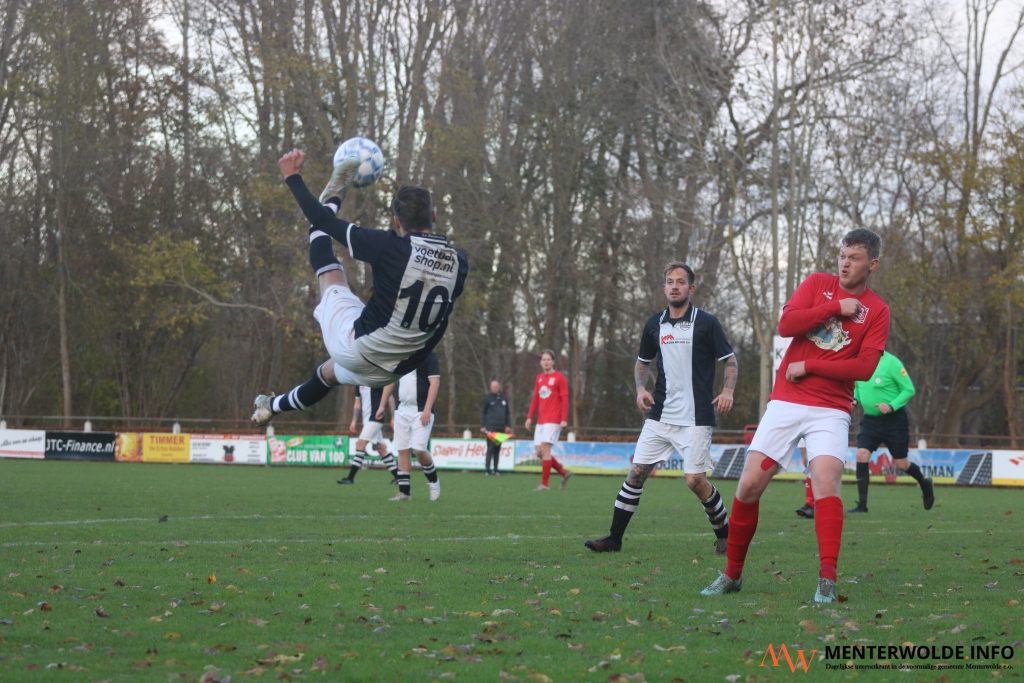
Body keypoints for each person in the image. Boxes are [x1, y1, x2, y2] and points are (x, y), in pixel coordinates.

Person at [701, 228, 890, 604]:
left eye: (854, 258)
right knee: (748, 486)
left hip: (831, 410)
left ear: (872, 264)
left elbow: (865, 368)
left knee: (826, 484)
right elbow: (786, 325)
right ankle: (732, 574)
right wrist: (834, 308)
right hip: (786, 402)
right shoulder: (818, 284)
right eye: (842, 255)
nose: (844, 264)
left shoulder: (879, 310)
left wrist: (811, 365)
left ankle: (827, 580)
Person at [250, 149, 468, 426]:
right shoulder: (459, 260)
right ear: (433, 216)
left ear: (397, 222)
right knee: (328, 373)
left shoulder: (388, 246)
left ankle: (333, 197)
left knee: (327, 260)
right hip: (395, 369)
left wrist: (292, 177)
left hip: (361, 349)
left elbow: (323, 221)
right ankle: (271, 406)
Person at [584, 263, 738, 555]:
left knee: (696, 482)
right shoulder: (654, 323)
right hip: (661, 415)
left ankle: (726, 537)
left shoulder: (707, 322)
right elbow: (642, 361)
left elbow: (730, 359)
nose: (675, 286)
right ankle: (614, 540)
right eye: (670, 281)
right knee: (636, 474)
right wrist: (641, 388)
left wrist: (728, 390)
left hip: (696, 417)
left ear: (691, 288)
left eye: (681, 281)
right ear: (664, 288)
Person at [848, 351, 931, 512]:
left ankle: (924, 483)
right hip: (871, 420)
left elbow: (909, 389)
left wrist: (891, 405)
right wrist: (855, 399)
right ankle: (862, 505)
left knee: (902, 464)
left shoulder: (892, 362)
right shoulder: (859, 361)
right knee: (861, 454)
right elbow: (858, 386)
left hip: (894, 421)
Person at [378, 351, 442, 501]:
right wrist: (381, 406)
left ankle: (434, 481)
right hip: (402, 411)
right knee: (403, 450)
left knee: (419, 450)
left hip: (421, 411)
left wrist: (427, 409)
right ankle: (404, 493)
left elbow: (435, 383)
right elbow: (391, 381)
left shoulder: (429, 355)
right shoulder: (400, 354)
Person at [525, 350, 571, 490]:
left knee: (545, 449)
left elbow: (565, 399)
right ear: (540, 362)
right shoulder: (539, 378)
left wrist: (563, 419)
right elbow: (535, 398)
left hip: (553, 419)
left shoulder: (559, 378)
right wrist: (529, 417)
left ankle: (545, 484)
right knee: (539, 452)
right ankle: (563, 472)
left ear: (553, 362)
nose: (546, 362)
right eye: (543, 360)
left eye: (548, 359)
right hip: (541, 420)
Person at [338, 386, 399, 485]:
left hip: (376, 418)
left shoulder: (376, 380)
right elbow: (358, 403)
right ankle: (398, 477)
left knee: (360, 445)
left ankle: (350, 478)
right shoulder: (358, 382)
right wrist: (354, 420)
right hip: (367, 420)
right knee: (381, 448)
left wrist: (393, 417)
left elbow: (390, 397)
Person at [480, 380, 512, 475]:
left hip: (501, 427)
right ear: (491, 388)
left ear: (499, 387)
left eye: (496, 387)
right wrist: (483, 425)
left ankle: (496, 470)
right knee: (490, 448)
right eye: (493, 387)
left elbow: (507, 413)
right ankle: (487, 470)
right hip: (491, 427)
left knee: (497, 449)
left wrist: (508, 425)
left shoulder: (504, 398)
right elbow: (483, 412)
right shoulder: (488, 398)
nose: (494, 389)